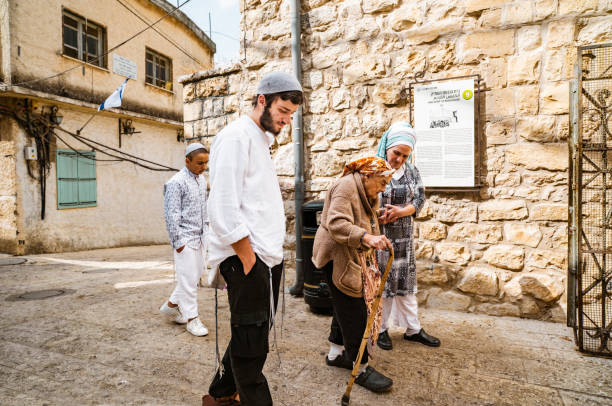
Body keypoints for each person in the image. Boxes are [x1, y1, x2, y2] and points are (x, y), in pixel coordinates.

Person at [202, 72, 303, 406]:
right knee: (251, 345)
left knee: (252, 334)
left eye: (290, 114)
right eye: (283, 111)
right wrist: (248, 258)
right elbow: (222, 205)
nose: (287, 120)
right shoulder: (236, 137)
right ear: (263, 100)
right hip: (247, 258)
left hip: (265, 258)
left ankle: (219, 395)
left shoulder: (260, 141)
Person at [312, 156, 395, 393]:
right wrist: (367, 237)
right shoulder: (346, 187)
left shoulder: (363, 188)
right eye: (381, 182)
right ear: (367, 175)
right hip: (336, 254)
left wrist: (374, 221)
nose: (383, 188)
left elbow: (358, 216)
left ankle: (335, 354)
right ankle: (361, 368)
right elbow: (337, 223)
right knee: (354, 308)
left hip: (348, 252)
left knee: (344, 304)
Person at [374, 122, 441, 351]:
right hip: (379, 239)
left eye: (405, 155)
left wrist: (400, 211)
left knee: (406, 284)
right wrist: (380, 214)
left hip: (404, 239)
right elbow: (362, 200)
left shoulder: (412, 171)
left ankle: (413, 329)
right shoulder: (373, 169)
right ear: (387, 148)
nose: (400, 159)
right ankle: (380, 329)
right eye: (396, 153)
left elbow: (419, 200)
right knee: (383, 285)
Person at [159, 142, 210, 337]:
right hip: (185, 240)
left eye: (205, 163)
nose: (203, 167)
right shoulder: (175, 183)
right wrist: (178, 243)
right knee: (188, 283)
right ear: (187, 161)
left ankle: (171, 305)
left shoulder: (200, 180)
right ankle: (192, 319)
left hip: (201, 238)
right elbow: (171, 215)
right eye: (199, 163)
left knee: (192, 278)